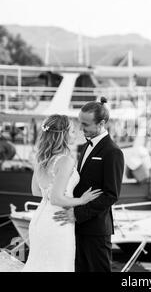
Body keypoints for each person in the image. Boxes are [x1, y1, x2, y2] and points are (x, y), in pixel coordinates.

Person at [22, 114, 102, 272]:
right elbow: (56, 199)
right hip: (58, 221)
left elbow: (37, 191)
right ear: (63, 134)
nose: (75, 134)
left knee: (39, 264)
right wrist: (82, 200)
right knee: (58, 266)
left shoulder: (41, 158)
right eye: (72, 131)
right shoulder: (65, 160)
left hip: (40, 219)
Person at [53, 97, 125, 272]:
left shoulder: (113, 152)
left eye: (85, 125)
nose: (80, 128)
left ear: (101, 123)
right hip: (77, 227)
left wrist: (77, 214)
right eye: (80, 123)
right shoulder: (85, 146)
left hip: (96, 229)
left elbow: (111, 195)